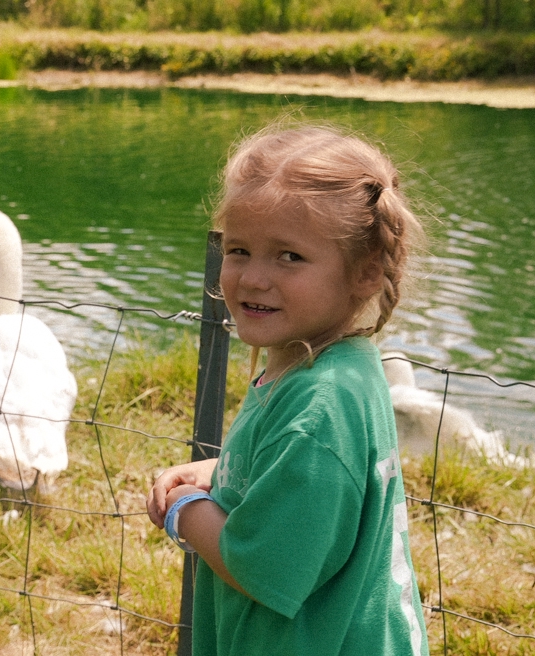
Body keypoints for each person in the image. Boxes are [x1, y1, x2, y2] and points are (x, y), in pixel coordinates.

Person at [147, 125, 429, 656]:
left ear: (366, 273)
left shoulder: (319, 409)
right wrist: (224, 473)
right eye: (239, 250)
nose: (253, 278)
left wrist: (185, 508)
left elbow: (262, 566)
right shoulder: (338, 365)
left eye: (289, 257)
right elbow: (307, 485)